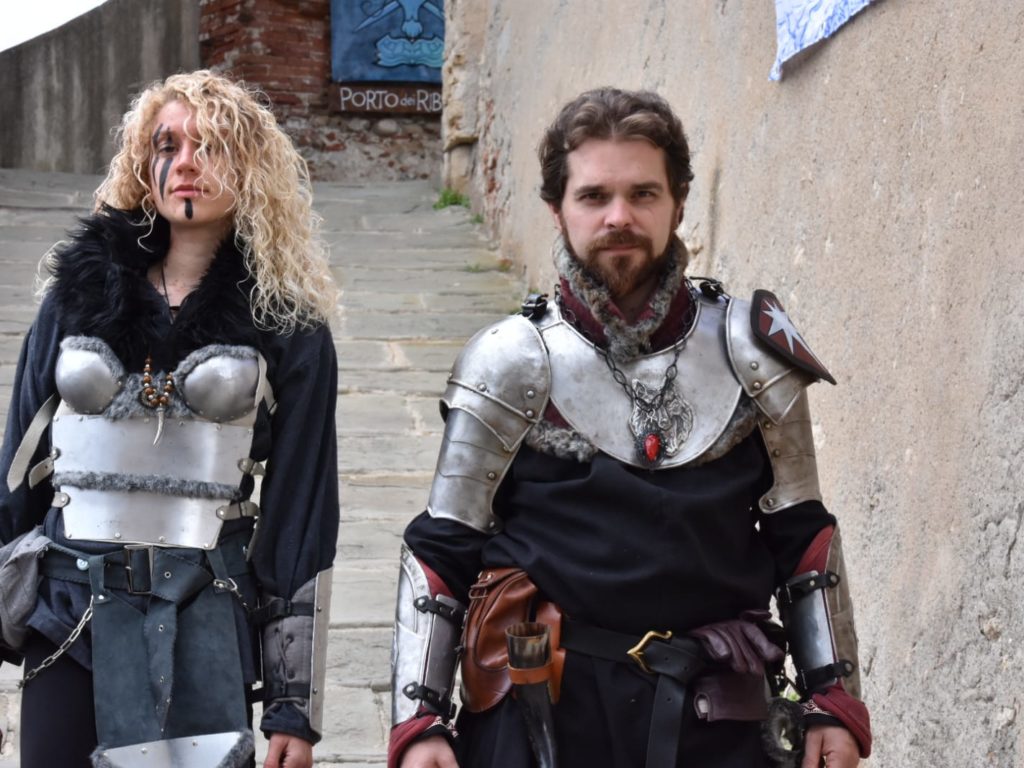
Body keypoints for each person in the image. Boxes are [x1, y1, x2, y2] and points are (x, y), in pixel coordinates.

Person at [388, 88, 872, 768]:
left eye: (644, 194)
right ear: (557, 209)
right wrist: (420, 721)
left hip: (718, 716)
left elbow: (803, 536)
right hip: (544, 716)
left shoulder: (750, 351)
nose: (619, 216)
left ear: (679, 202)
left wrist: (832, 700)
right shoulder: (509, 362)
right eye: (594, 196)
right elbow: (442, 550)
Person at [0, 70, 339, 767]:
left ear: (250, 168)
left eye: (210, 146)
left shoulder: (288, 323)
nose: (186, 162)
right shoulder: (75, 295)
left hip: (205, 612)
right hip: (68, 612)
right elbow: (14, 478)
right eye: (168, 145)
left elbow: (301, 513)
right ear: (144, 164)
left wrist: (293, 709)